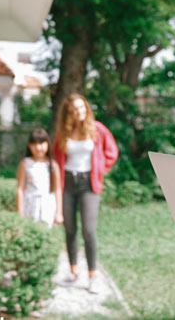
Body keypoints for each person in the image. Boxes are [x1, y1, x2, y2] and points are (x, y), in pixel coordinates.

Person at [53, 93, 119, 294]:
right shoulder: (64, 132)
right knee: (70, 228)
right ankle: (74, 272)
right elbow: (56, 160)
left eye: (81, 108)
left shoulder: (97, 129)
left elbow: (112, 152)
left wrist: (100, 170)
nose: (78, 112)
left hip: (89, 183)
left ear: (86, 108)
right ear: (68, 113)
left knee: (88, 230)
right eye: (74, 110)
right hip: (68, 183)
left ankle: (92, 276)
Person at [16, 128, 63, 227]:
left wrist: (59, 213)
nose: (38, 147)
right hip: (30, 205)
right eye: (35, 144)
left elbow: (57, 189)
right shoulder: (25, 163)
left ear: (47, 144)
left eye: (42, 143)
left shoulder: (53, 165)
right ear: (29, 146)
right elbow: (20, 189)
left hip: (48, 205)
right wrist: (20, 212)